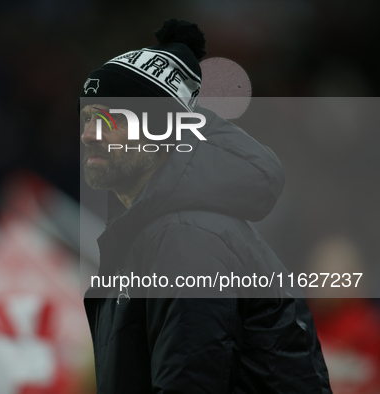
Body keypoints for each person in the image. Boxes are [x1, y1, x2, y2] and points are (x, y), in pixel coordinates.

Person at [80, 19, 332, 393]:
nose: (89, 133)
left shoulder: (187, 235)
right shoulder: (154, 230)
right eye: (87, 117)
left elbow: (190, 382)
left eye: (111, 118)